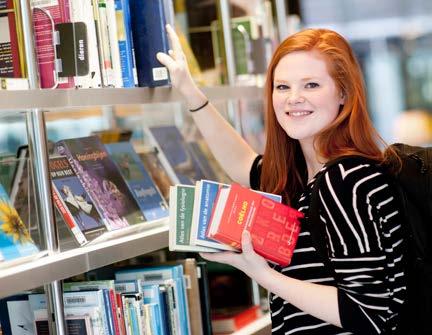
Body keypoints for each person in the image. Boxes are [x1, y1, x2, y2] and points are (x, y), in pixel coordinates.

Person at [157, 26, 406, 334]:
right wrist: (190, 91)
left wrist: (264, 275)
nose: (294, 99)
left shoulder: (347, 180)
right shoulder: (304, 176)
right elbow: (244, 164)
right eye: (282, 87)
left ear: (343, 92)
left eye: (311, 85)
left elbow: (370, 313)